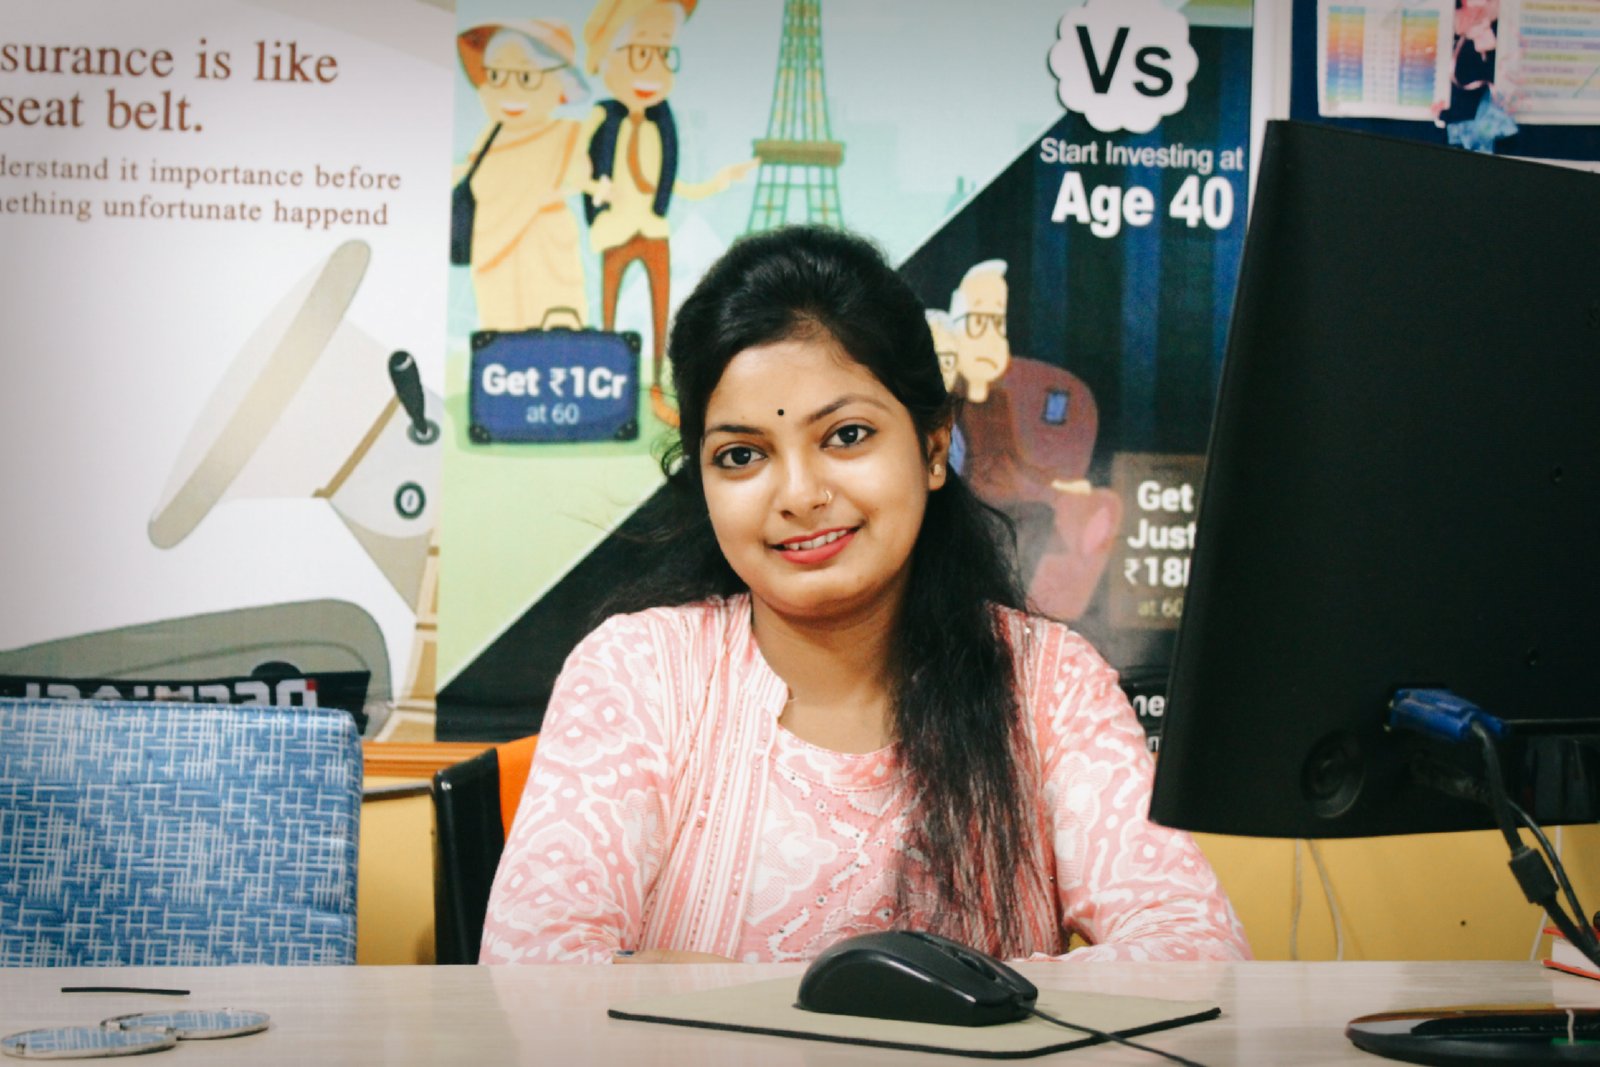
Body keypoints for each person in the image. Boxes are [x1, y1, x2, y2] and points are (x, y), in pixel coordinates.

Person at [480, 226, 1249, 965]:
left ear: (934, 446)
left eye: (846, 435)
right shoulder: (637, 675)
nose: (799, 494)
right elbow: (531, 969)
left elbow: (1196, 950)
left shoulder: (1049, 684)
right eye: (741, 454)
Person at [579, 0, 758, 426]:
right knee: (609, 319)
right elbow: (574, 165)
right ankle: (612, 397)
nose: (653, 68)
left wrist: (721, 180)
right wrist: (593, 185)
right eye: (641, 53)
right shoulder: (603, 116)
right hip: (614, 230)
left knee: (664, 319)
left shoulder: (663, 122)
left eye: (662, 54)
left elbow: (672, 184)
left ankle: (658, 393)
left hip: (653, 230)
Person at [456, 21, 599, 332]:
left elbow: (579, 175)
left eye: (525, 78)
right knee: (500, 330)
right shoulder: (490, 135)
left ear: (559, 83)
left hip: (547, 245)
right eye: (496, 76)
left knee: (558, 329)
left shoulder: (565, 133)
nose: (510, 90)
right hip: (491, 249)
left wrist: (596, 188)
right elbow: (473, 175)